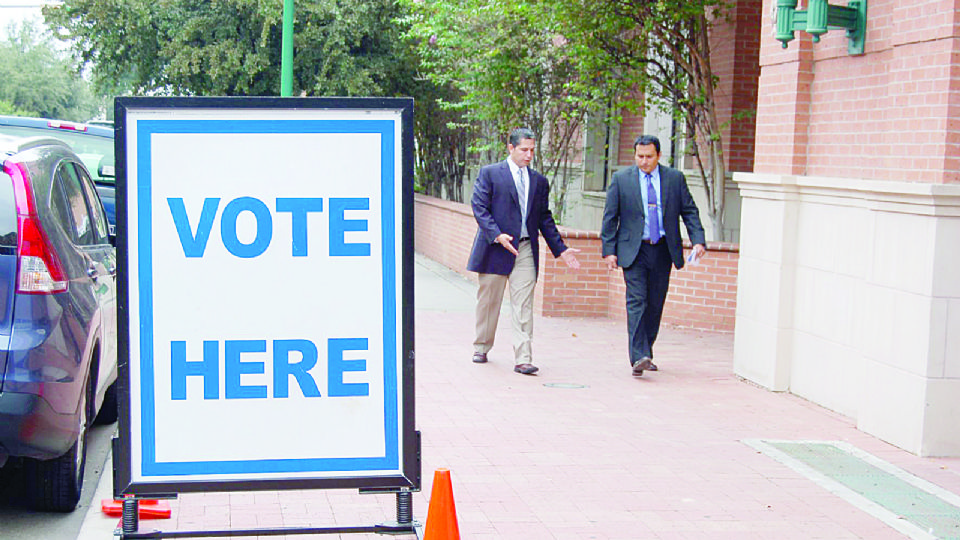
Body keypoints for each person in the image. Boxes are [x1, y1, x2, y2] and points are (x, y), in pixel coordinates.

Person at [467, 128, 580, 375]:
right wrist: (496, 234)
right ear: (511, 147)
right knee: (489, 302)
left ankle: (523, 358)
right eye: (524, 150)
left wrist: (560, 250)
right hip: (495, 247)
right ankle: (482, 346)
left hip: (525, 248)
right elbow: (479, 207)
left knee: (523, 304)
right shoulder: (490, 174)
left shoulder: (538, 181)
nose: (529, 155)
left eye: (532, 150)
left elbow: (544, 218)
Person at [601, 135, 706, 376]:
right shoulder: (621, 179)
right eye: (640, 156)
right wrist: (609, 251)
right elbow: (610, 217)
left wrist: (698, 239)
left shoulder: (674, 179)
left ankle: (646, 350)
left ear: (658, 156)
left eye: (649, 157)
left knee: (655, 303)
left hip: (662, 249)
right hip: (633, 249)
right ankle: (638, 356)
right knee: (636, 301)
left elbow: (689, 211)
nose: (644, 161)